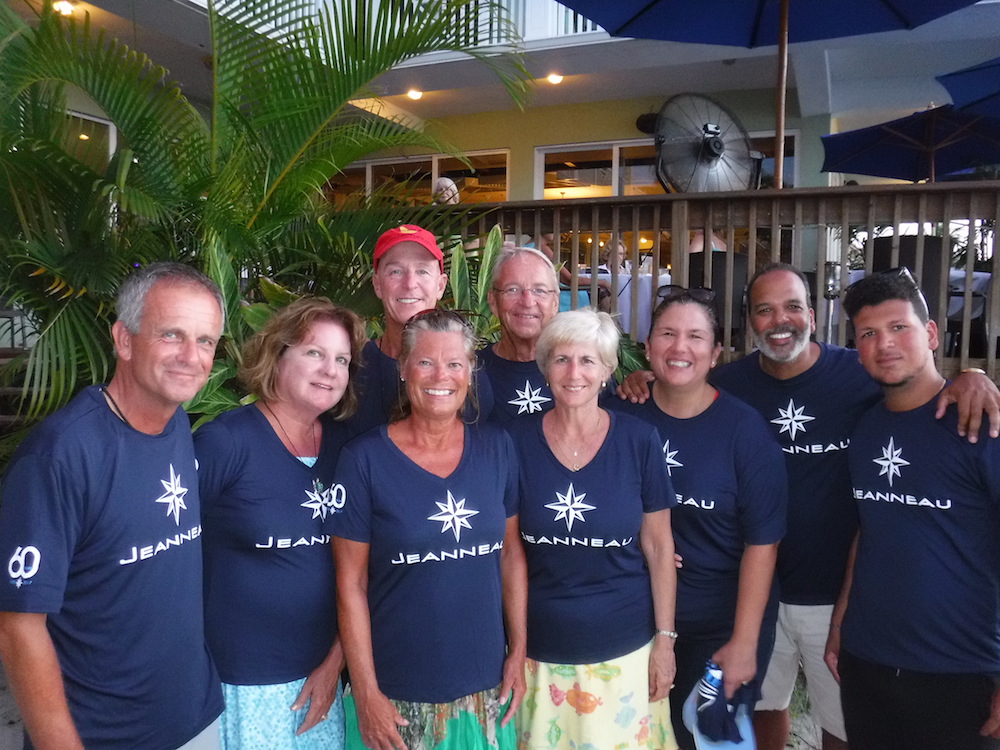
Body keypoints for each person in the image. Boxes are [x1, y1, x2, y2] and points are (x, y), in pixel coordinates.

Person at [619, 262, 1000, 750]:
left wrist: (972, 375)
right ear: (749, 324)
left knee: (839, 726)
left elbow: (916, 383)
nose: (780, 319)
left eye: (793, 306)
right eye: (765, 309)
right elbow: (680, 375)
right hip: (757, 596)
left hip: (842, 596)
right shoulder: (729, 383)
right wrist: (643, 377)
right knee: (763, 710)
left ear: (813, 317)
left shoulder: (861, 374)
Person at [0, 262, 225, 750]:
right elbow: (19, 627)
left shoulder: (176, 423)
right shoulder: (60, 456)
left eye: (206, 341)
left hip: (194, 717)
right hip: (102, 735)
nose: (191, 356)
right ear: (124, 340)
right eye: (171, 334)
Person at [331, 309, 526, 750]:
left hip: (485, 692)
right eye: (425, 362)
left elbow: (511, 554)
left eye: (455, 363)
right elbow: (350, 583)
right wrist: (366, 692)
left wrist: (518, 651)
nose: (441, 375)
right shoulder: (364, 459)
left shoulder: (497, 448)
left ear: (470, 372)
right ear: (403, 368)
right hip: (395, 697)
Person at [825, 269, 1000, 749]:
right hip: (867, 661)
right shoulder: (865, 428)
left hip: (962, 670)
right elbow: (871, 526)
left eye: (899, 327)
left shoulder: (980, 424)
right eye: (868, 334)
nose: (884, 343)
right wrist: (840, 623)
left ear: (931, 334)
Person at [612, 286, 787, 750]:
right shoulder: (618, 416)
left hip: (719, 624)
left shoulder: (746, 433)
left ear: (715, 352)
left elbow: (764, 544)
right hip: (634, 619)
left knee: (700, 740)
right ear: (647, 346)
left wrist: (745, 642)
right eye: (667, 334)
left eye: (695, 336)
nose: (680, 347)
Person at [195, 298, 367, 749]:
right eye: (314, 353)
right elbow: (168, 555)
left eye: (342, 360)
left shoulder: (347, 451)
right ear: (278, 354)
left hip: (320, 682)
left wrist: (334, 665)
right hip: (238, 685)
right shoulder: (225, 443)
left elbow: (362, 571)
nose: (329, 370)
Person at [507, 308, 678, 750]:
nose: (574, 373)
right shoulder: (513, 443)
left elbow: (660, 547)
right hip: (539, 655)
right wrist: (515, 647)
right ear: (545, 368)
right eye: (562, 359)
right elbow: (508, 553)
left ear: (607, 370)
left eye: (588, 360)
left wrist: (666, 642)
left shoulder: (639, 440)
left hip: (626, 653)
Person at [348, 224, 493, 434]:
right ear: (377, 284)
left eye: (422, 271)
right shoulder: (352, 368)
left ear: (440, 285)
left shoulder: (466, 375)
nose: (410, 283)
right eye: (396, 271)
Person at [481, 246, 617, 423]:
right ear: (493, 301)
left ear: (555, 303)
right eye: (512, 289)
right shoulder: (470, 372)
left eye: (539, 290)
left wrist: (640, 383)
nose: (527, 302)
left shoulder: (585, 369)